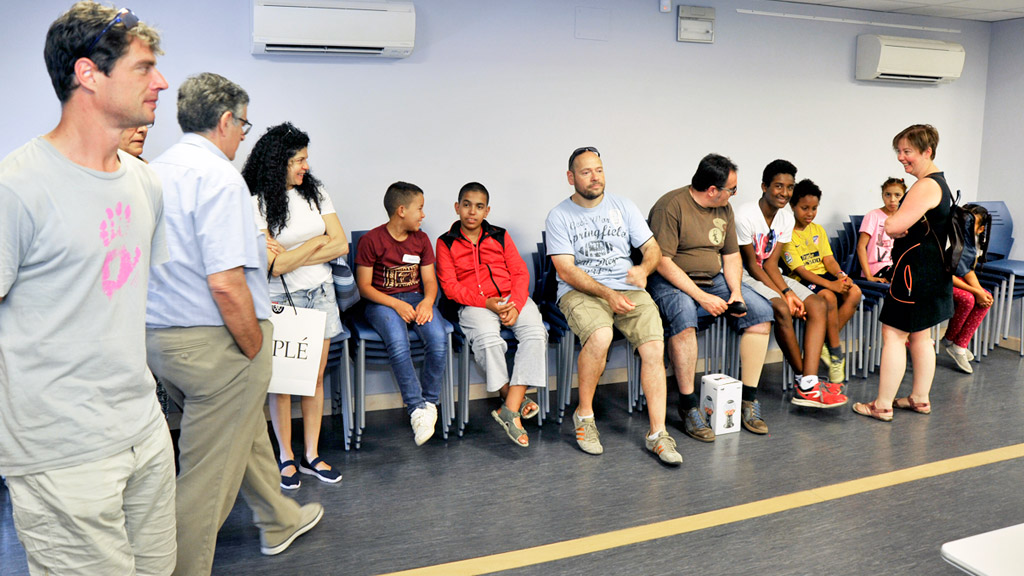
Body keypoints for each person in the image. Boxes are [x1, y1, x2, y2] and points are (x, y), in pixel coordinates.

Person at [0, 4, 177, 574]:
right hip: (60, 452)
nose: (162, 82)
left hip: (144, 432)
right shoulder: (17, 187)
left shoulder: (146, 184)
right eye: (144, 67)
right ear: (88, 74)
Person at [146, 73, 323, 575]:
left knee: (240, 435)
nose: (244, 135)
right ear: (225, 121)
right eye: (243, 125)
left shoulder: (153, 172)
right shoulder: (220, 178)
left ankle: (279, 518)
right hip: (218, 340)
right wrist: (251, 346)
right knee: (206, 478)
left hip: (161, 339)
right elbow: (225, 282)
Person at [546, 146, 682, 465]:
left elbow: (652, 249)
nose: (595, 177)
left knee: (652, 347)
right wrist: (607, 294)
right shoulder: (559, 215)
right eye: (586, 172)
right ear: (571, 177)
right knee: (602, 336)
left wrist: (644, 269)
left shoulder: (623, 206)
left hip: (627, 288)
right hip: (581, 290)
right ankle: (585, 417)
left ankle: (658, 435)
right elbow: (565, 270)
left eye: (599, 170)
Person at [242, 123, 346, 488]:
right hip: (281, 299)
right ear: (278, 162)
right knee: (283, 383)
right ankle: (285, 455)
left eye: (306, 159)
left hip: (321, 293)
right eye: (299, 160)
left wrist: (296, 252)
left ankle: (311, 455)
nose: (305, 166)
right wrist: (317, 244)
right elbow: (274, 266)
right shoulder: (257, 202)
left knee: (314, 379)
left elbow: (341, 244)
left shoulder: (316, 193)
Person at [647, 153, 775, 442]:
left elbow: (730, 256)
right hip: (671, 280)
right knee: (684, 318)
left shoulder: (724, 208)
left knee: (760, 313)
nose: (735, 194)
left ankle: (748, 401)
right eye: (731, 189)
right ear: (712, 190)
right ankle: (689, 406)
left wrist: (737, 292)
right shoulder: (670, 206)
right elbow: (662, 262)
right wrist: (702, 297)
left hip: (713, 279)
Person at [853, 124, 954, 421]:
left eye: (907, 151)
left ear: (927, 152)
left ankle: (882, 405)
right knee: (921, 335)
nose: (901, 158)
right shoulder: (940, 183)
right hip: (931, 270)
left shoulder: (925, 186)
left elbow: (892, 226)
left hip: (914, 273)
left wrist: (894, 224)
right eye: (898, 151)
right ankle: (919, 399)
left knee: (894, 335)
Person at [436, 182, 548, 447]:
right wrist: (485, 302)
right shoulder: (445, 242)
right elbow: (450, 287)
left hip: (511, 297)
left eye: (478, 206)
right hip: (475, 304)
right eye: (466, 205)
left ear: (487, 211)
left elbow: (520, 272)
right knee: (488, 341)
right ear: (457, 208)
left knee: (536, 333)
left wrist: (517, 305)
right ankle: (514, 400)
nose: (472, 212)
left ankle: (508, 409)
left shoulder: (499, 235)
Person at [735, 160, 846, 407]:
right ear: (764, 186)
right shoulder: (745, 215)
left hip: (767, 272)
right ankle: (805, 382)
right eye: (778, 186)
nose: (784, 193)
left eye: (789, 187)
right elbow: (753, 265)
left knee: (818, 305)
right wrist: (785, 294)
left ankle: (808, 382)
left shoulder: (784, 219)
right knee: (783, 308)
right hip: (742, 273)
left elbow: (771, 264)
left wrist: (786, 289)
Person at [355, 181, 448, 446]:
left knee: (438, 340)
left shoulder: (421, 239)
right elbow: (363, 287)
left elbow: (430, 281)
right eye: (420, 208)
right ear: (401, 210)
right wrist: (396, 305)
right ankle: (415, 408)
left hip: (417, 299)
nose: (423, 214)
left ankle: (428, 405)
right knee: (398, 343)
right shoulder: (371, 240)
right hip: (381, 303)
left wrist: (428, 302)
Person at [781, 179, 863, 384]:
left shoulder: (818, 230)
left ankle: (824, 342)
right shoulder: (786, 233)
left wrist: (840, 276)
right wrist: (832, 286)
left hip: (824, 276)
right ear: (792, 206)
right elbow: (800, 270)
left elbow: (829, 260)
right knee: (828, 297)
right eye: (804, 208)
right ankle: (836, 354)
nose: (809, 213)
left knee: (854, 292)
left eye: (814, 208)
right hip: (803, 279)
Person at [940, 204, 993, 374]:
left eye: (970, 223)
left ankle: (959, 344)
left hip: (955, 280)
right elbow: (948, 276)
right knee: (968, 298)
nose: (965, 226)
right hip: (940, 281)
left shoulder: (973, 245)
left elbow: (967, 270)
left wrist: (980, 292)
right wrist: (976, 292)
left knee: (986, 297)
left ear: (980, 229)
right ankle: (949, 339)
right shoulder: (953, 240)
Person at [856, 177, 906, 283]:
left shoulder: (905, 218)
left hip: (895, 266)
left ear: (904, 196)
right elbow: (861, 246)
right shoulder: (873, 215)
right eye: (888, 194)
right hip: (876, 269)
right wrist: (868, 275)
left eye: (897, 195)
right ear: (882, 195)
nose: (892, 199)